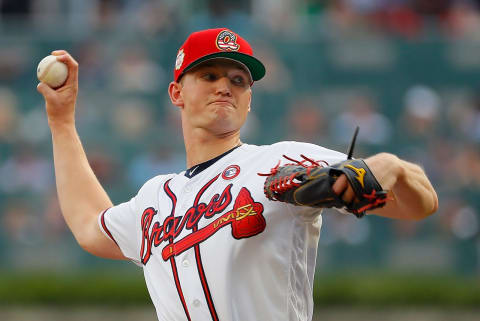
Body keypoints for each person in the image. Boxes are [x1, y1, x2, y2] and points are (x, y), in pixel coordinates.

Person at [37, 28, 438, 321]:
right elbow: (90, 225)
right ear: (177, 93)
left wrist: (389, 167)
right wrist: (61, 120)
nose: (225, 87)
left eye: (238, 80)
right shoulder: (154, 199)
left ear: (249, 100)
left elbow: (420, 206)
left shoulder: (279, 159)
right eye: (209, 76)